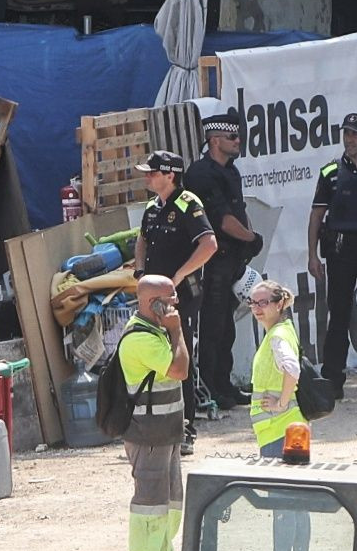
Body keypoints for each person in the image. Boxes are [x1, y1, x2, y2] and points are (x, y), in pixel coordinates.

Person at [132, 150, 216, 453]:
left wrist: (179, 275)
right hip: (152, 296)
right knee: (153, 357)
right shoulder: (153, 207)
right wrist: (141, 272)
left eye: (153, 172)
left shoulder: (188, 203)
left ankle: (185, 429)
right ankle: (154, 425)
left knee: (180, 358)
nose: (147, 177)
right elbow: (141, 239)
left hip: (181, 297)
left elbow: (209, 244)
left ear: (171, 175)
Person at [183, 111, 262, 410]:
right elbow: (223, 220)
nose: (238, 141)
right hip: (212, 262)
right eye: (232, 137)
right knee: (212, 327)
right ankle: (210, 388)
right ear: (214, 140)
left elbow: (238, 211)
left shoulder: (231, 170)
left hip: (232, 259)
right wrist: (251, 239)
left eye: (239, 136)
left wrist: (249, 238)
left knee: (226, 325)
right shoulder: (202, 174)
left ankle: (225, 385)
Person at [118, 274, 190, 551]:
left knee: (170, 502)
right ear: (152, 303)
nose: (176, 303)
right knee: (149, 503)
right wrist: (177, 330)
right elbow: (180, 369)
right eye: (171, 298)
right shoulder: (139, 338)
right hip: (148, 435)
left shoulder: (155, 331)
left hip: (166, 433)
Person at [307, 114, 357, 404]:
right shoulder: (330, 173)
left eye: (356, 134)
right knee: (338, 317)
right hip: (340, 251)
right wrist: (312, 254)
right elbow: (316, 216)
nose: (350, 139)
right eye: (346, 133)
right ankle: (332, 381)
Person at [246, 279, 308, 461]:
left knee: (279, 487)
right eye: (253, 303)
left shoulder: (277, 336)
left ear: (279, 304)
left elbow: (292, 368)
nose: (257, 308)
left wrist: (281, 404)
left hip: (279, 428)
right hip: (287, 426)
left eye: (263, 302)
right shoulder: (284, 330)